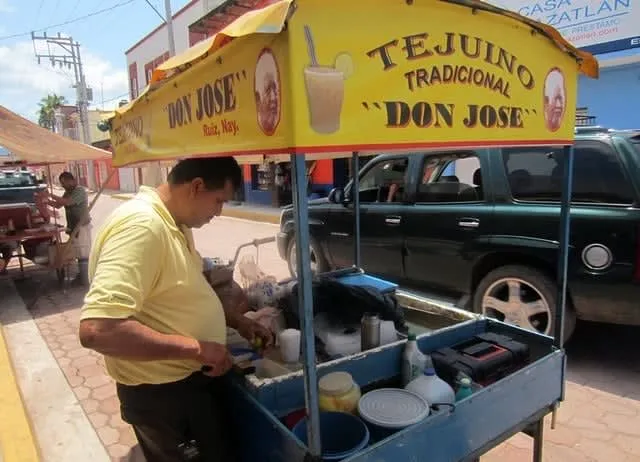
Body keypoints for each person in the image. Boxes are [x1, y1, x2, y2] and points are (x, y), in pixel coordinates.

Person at [78, 157, 274, 462]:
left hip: (186, 388)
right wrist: (197, 349)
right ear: (196, 187)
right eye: (218, 201)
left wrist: (237, 321)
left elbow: (184, 290)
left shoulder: (174, 222)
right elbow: (98, 330)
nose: (219, 212)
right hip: (165, 397)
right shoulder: (142, 227)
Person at [45, 172, 91, 285]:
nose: (63, 186)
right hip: (73, 226)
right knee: (77, 252)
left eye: (64, 183)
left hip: (82, 226)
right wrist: (45, 201)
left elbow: (67, 202)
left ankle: (86, 278)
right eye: (62, 184)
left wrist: (50, 195)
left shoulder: (79, 191)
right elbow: (58, 205)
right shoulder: (68, 192)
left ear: (71, 180)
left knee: (84, 253)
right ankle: (83, 276)